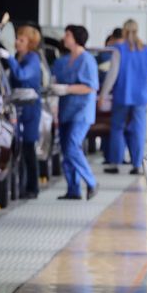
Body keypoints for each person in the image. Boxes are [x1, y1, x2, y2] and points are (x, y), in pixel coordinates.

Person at [50, 24, 100, 200]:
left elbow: (91, 87)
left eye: (68, 35)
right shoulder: (63, 61)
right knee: (66, 149)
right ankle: (73, 189)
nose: (65, 38)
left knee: (72, 146)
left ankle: (92, 181)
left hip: (81, 112)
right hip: (65, 110)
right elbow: (54, 78)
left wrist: (68, 89)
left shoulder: (87, 60)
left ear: (77, 38)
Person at [105, 19, 147, 175]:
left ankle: (115, 162)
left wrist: (103, 93)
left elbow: (112, 74)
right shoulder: (146, 49)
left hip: (122, 95)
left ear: (123, 31)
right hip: (140, 96)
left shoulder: (118, 49)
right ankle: (137, 165)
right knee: (138, 130)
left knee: (117, 128)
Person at [7, 23, 44, 199]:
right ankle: (20, 186)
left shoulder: (32, 59)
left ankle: (32, 188)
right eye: (17, 39)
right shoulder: (18, 57)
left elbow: (22, 75)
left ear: (30, 43)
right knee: (19, 150)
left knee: (28, 148)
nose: (17, 42)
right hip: (18, 108)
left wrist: (9, 59)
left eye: (21, 40)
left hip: (30, 109)